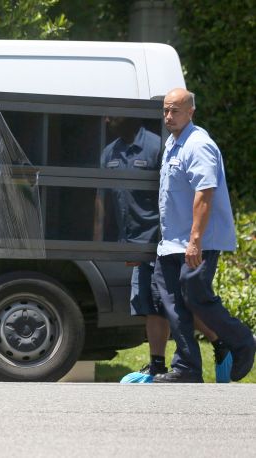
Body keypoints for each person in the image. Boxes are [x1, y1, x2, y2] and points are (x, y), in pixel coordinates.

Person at [93, 117, 231, 383]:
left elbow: (175, 193)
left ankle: (222, 342)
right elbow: (102, 198)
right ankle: (157, 365)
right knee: (151, 302)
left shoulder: (158, 147)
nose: (108, 119)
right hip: (133, 241)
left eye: (115, 115)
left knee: (175, 302)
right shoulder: (110, 151)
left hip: (162, 240)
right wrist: (100, 238)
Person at [151, 88, 255, 383]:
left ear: (191, 112)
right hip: (170, 242)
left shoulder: (198, 144)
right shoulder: (173, 144)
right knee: (172, 302)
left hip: (198, 242)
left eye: (176, 110)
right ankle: (186, 368)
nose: (169, 116)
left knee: (194, 293)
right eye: (166, 110)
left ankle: (243, 339)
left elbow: (205, 193)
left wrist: (195, 239)